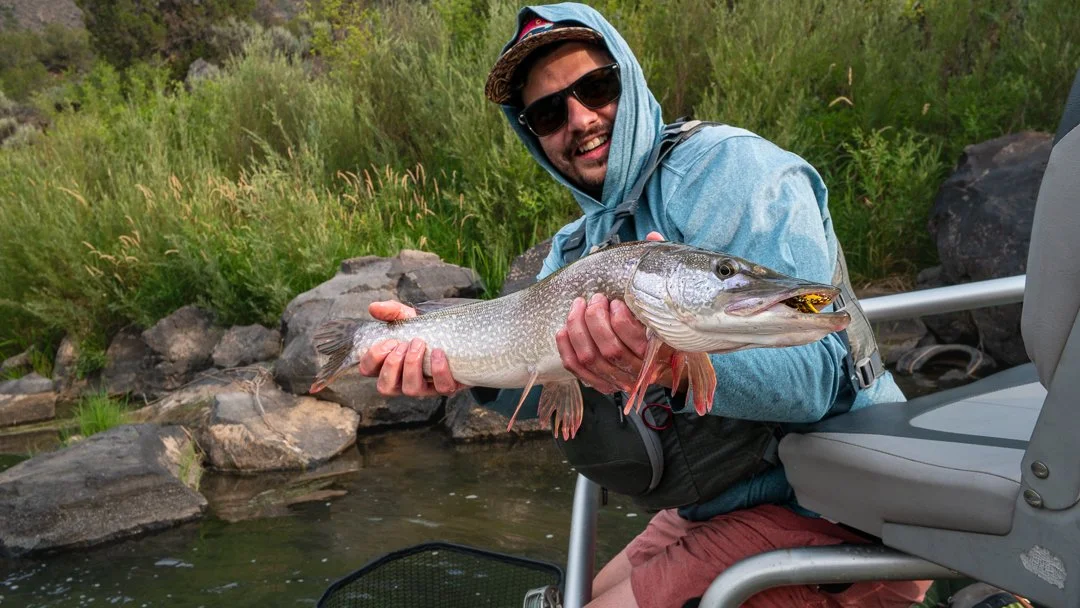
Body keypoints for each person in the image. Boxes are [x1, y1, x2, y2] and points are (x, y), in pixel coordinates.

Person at [355, 4, 931, 607]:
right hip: (720, 501)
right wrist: (446, 367)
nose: (579, 119)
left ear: (627, 79)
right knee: (575, 600)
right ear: (533, 133)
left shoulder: (732, 171)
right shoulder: (578, 250)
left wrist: (667, 365)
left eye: (595, 87)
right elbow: (538, 384)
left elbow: (814, 377)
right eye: (549, 112)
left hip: (830, 497)